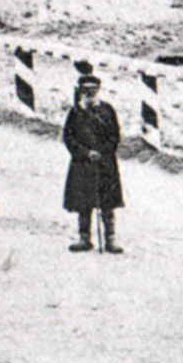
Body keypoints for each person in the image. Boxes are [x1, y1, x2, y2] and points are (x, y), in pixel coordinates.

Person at [62, 72, 124, 254]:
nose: (90, 93)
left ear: (98, 90)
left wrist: (102, 152)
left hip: (105, 163)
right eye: (86, 90)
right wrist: (86, 153)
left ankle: (110, 239)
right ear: (81, 91)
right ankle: (84, 238)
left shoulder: (107, 110)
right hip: (82, 163)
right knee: (84, 202)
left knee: (107, 201)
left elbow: (115, 136)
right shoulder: (75, 113)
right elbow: (69, 137)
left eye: (93, 90)